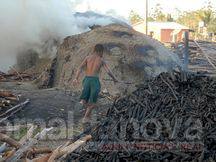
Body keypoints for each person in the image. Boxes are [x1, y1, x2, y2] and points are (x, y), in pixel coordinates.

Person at [73, 44, 118, 124]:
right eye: (102, 52)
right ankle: (85, 118)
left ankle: (82, 104)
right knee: (93, 102)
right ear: (100, 51)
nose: (102, 54)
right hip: (95, 81)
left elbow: (80, 68)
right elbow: (108, 71)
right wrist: (114, 79)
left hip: (86, 80)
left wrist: (76, 78)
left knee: (85, 99)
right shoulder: (101, 60)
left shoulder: (87, 58)